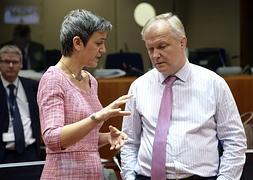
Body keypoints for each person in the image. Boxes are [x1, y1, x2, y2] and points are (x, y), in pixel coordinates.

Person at [121, 12, 247, 180]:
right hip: (146, 176)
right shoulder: (138, 87)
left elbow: (234, 140)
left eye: (162, 46)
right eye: (150, 49)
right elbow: (129, 142)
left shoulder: (213, 84)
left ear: (182, 42)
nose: (155, 55)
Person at [37, 9, 132, 179]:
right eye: (99, 43)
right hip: (63, 174)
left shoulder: (90, 79)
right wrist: (97, 117)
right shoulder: (53, 79)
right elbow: (52, 139)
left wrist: (105, 137)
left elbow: (82, 141)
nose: (103, 49)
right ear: (77, 43)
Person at [0, 45, 42, 163]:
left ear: (21, 64)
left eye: (15, 62)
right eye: (6, 61)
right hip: (3, 154)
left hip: (31, 152)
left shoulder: (32, 86)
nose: (11, 65)